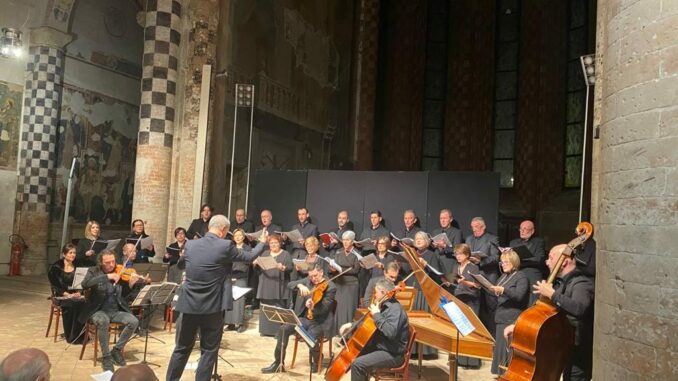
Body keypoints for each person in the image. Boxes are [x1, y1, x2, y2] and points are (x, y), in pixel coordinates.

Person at [166, 215, 267, 381]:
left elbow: (180, 265)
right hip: (212, 306)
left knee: (182, 348)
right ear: (223, 230)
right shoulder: (225, 245)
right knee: (209, 350)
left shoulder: (190, 244)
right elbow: (248, 257)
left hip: (189, 304)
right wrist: (262, 242)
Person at [505, 244, 595, 381]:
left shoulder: (581, 283)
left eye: (551, 258)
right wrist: (517, 326)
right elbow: (541, 311)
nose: (547, 262)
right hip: (560, 344)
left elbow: (579, 308)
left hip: (577, 349)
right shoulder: (559, 283)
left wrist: (553, 295)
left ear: (564, 261)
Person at [261, 263, 337, 373]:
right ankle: (278, 363)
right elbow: (290, 284)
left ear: (321, 272)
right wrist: (300, 286)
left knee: (308, 337)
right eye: (311, 276)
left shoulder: (331, 287)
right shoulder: (309, 280)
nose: (313, 279)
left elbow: (324, 309)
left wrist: (312, 306)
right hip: (305, 319)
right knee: (284, 329)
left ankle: (317, 358)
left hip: (320, 321)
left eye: (315, 276)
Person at [78, 249, 140, 372]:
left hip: (115, 310)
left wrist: (131, 285)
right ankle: (106, 357)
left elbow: (124, 295)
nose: (111, 265)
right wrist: (106, 276)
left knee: (133, 321)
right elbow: (85, 284)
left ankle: (116, 350)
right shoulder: (94, 271)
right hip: (97, 311)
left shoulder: (119, 271)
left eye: (113, 261)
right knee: (103, 321)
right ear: (100, 263)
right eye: (107, 262)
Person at [338, 278, 410, 381]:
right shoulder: (384, 305)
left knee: (358, 364)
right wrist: (351, 325)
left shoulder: (395, 309)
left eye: (375, 292)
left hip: (393, 353)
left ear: (383, 292)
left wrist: (376, 314)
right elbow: (370, 323)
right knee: (354, 354)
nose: (374, 295)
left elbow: (390, 332)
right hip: (382, 346)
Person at [490, 250, 529, 376]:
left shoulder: (521, 276)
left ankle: (509, 376)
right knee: (500, 351)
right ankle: (502, 376)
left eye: (506, 262)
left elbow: (519, 297)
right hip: (501, 316)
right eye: (502, 262)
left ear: (514, 262)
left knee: (508, 353)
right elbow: (497, 293)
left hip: (511, 318)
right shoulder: (503, 277)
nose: (503, 264)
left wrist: (504, 290)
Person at [401, 231, 439, 357]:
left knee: (423, 321)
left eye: (420, 239)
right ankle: (411, 350)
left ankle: (426, 352)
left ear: (427, 241)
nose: (417, 241)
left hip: (424, 290)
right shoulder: (412, 253)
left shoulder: (432, 255)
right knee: (411, 320)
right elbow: (406, 270)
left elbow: (436, 274)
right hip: (412, 287)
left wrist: (426, 265)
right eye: (416, 239)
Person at [448, 243, 481, 368]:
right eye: (456, 254)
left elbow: (477, 285)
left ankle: (472, 361)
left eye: (460, 254)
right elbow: (454, 283)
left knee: (471, 330)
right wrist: (447, 282)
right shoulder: (455, 267)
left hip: (471, 300)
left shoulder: (473, 268)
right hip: (458, 299)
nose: (458, 256)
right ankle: (460, 360)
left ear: (467, 255)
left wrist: (465, 282)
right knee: (460, 329)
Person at [465, 216, 500, 335]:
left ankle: (492, 338)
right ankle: (477, 337)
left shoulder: (492, 239)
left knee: (490, 309)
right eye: (472, 227)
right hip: (473, 277)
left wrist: (481, 261)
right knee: (474, 308)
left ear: (483, 227)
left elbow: (496, 257)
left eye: (477, 227)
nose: (474, 229)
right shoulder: (469, 239)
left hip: (488, 277)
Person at [255, 234, 293, 337]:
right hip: (265, 283)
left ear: (280, 243)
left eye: (275, 242)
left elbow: (290, 268)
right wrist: (255, 264)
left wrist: (283, 267)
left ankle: (278, 332)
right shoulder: (265, 253)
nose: (273, 244)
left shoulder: (285, 254)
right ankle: (265, 330)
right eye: (271, 243)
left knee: (278, 307)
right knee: (265, 306)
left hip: (278, 284)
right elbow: (258, 270)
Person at [47, 244, 85, 343]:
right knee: (72, 303)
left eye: (74, 253)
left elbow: (82, 281)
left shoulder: (78, 265)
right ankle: (71, 335)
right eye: (70, 253)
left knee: (84, 302)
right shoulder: (56, 267)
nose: (73, 255)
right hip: (61, 295)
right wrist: (68, 295)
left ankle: (80, 334)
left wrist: (79, 292)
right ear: (64, 254)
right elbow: (55, 285)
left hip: (75, 294)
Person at [509, 220, 546, 305]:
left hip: (531, 273)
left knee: (532, 302)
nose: (522, 231)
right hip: (517, 272)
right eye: (521, 229)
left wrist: (523, 259)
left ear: (532, 231)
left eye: (525, 229)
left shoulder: (538, 242)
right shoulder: (513, 242)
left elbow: (540, 259)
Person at [331, 230, 361, 334]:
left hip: (351, 285)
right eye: (343, 240)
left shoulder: (357, 254)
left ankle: (348, 334)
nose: (345, 242)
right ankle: (337, 332)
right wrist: (333, 269)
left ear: (352, 241)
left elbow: (356, 270)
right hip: (340, 283)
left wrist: (341, 269)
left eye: (347, 240)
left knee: (349, 309)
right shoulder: (338, 252)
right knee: (339, 308)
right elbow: (334, 264)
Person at [224, 229, 252, 333]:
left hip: (241, 276)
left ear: (243, 237)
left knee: (239, 300)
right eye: (236, 235)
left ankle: (240, 323)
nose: (238, 237)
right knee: (230, 299)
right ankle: (230, 323)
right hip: (230, 276)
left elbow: (248, 261)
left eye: (240, 235)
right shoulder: (230, 248)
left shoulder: (248, 248)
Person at [431, 209, 464, 274]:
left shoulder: (457, 232)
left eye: (445, 218)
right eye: (441, 218)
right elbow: (431, 248)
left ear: (451, 219)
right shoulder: (435, 232)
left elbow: (457, 250)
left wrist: (444, 246)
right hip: (435, 264)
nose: (442, 221)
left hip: (448, 265)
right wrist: (433, 245)